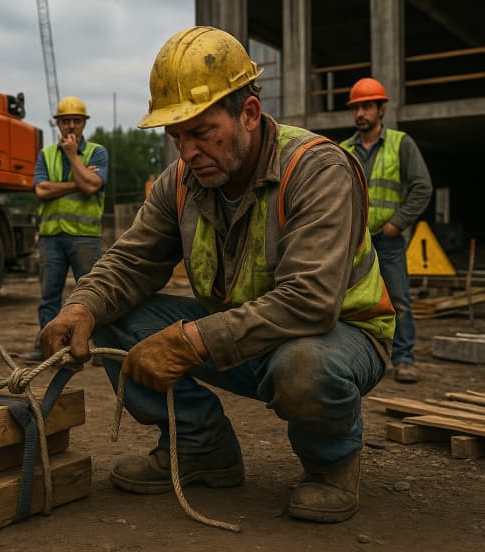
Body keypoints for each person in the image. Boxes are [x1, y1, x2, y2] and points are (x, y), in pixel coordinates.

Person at [40, 26, 396, 524]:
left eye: (202, 133)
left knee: (303, 367)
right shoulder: (182, 181)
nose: (186, 152)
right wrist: (81, 306)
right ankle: (202, 448)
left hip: (339, 335)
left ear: (248, 113)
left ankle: (331, 464)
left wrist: (191, 341)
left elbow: (310, 301)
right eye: (176, 137)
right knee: (109, 316)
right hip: (244, 335)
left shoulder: (315, 169)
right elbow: (131, 261)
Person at [341, 78, 433, 383]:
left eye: (367, 107)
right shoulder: (344, 149)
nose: (360, 114)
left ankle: (404, 359)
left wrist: (397, 223)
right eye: (356, 108)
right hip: (355, 242)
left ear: (381, 109)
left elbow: (422, 187)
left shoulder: (401, 143)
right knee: (349, 301)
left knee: (398, 300)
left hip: (388, 240)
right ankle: (353, 358)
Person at [24, 96, 109, 361]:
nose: (71, 126)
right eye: (65, 121)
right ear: (58, 124)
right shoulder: (46, 154)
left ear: (84, 123)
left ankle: (99, 348)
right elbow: (41, 190)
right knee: (49, 296)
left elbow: (92, 186)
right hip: (51, 237)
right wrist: (77, 183)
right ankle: (46, 348)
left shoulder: (97, 152)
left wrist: (72, 156)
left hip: (85, 237)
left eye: (76, 121)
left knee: (93, 294)